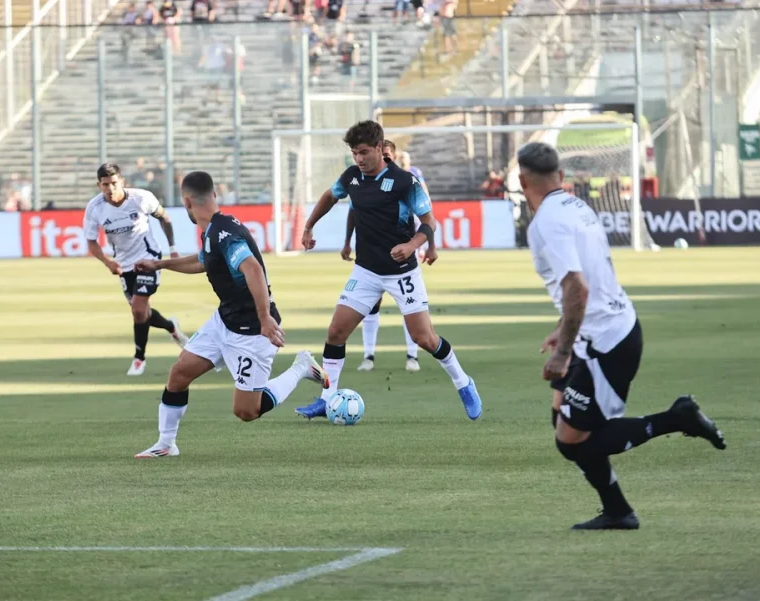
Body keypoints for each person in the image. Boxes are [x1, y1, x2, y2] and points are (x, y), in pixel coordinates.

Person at [519, 142, 726, 530]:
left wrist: (563, 351)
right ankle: (618, 511)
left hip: (606, 342)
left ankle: (676, 418)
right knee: (560, 416)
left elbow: (578, 287)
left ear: (520, 181)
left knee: (570, 441)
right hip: (598, 329)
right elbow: (587, 282)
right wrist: (564, 329)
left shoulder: (545, 223)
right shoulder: (577, 206)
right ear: (561, 177)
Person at [132, 171, 329, 458]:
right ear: (214, 195)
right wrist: (159, 264)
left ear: (186, 201)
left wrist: (264, 318)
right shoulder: (214, 230)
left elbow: (252, 268)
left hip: (252, 330)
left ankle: (301, 367)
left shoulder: (225, 232)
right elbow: (202, 262)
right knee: (179, 373)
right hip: (224, 320)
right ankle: (166, 444)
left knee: (246, 411)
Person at [296, 120, 482, 420]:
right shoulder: (352, 176)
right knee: (336, 332)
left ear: (381, 149)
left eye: (364, 152)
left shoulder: (404, 182)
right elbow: (331, 196)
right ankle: (326, 398)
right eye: (355, 152)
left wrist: (412, 246)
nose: (359, 158)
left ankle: (464, 383)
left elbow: (430, 223)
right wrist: (308, 225)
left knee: (424, 338)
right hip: (366, 271)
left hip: (402, 272)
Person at [83, 163, 188, 376]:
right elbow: (91, 242)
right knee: (141, 312)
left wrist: (173, 249)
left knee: (139, 309)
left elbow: (164, 217)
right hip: (123, 264)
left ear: (122, 181)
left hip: (148, 258)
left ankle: (139, 359)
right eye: (105, 185)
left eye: (113, 183)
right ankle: (171, 327)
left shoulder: (141, 198)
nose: (110, 189)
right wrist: (108, 262)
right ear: (99, 185)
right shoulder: (95, 208)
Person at [342, 139, 428, 373]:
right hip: (371, 256)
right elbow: (353, 212)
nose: (386, 160)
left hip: (403, 253)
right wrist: (347, 242)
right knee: (371, 306)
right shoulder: (363, 182)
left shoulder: (406, 182)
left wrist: (427, 246)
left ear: (394, 156)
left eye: (389, 157)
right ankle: (368, 356)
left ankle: (412, 356)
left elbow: (426, 218)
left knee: (409, 308)